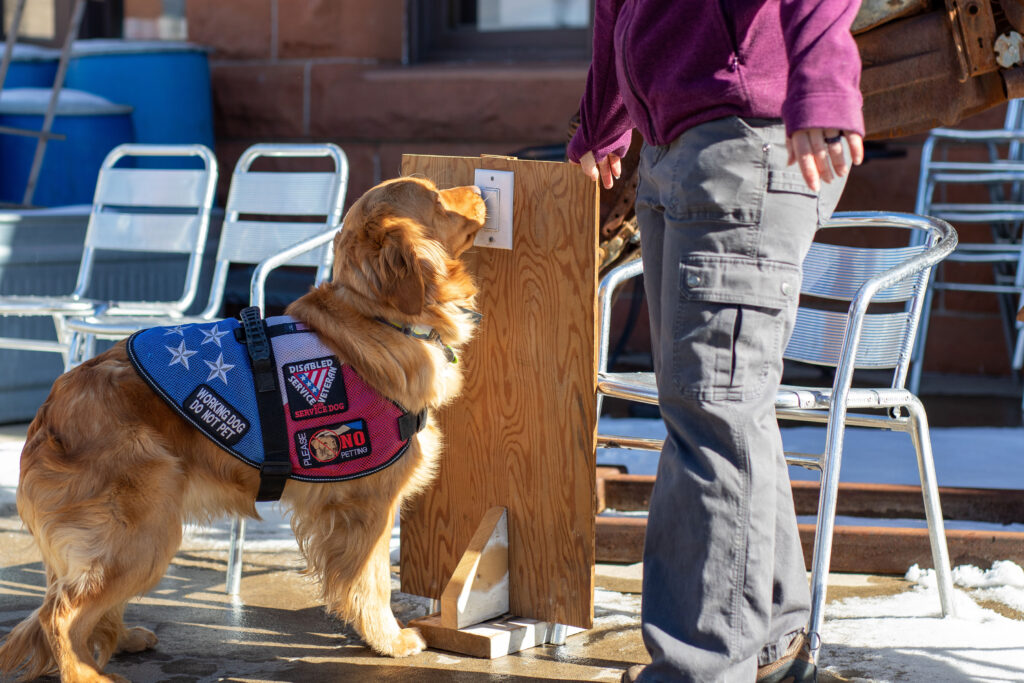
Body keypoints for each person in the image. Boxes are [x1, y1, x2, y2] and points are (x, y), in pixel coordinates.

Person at [567, 1, 865, 681]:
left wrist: (822, 86)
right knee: (722, 411)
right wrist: (601, 122)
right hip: (675, 148)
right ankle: (773, 641)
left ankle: (699, 668)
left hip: (743, 138)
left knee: (711, 414)